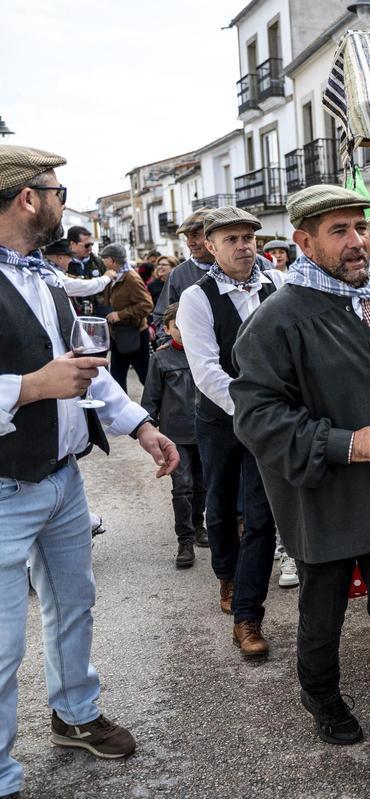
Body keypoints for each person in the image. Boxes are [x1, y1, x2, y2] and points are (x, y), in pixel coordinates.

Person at [231, 185, 370, 798]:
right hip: (328, 496)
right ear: (303, 241)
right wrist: (348, 443)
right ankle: (320, 694)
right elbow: (257, 415)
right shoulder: (277, 317)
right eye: (339, 231)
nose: (356, 242)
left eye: (360, 228)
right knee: (324, 615)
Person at [0, 143, 179, 799]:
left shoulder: (44, 277)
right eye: (56, 191)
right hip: (5, 488)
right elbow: (48, 380)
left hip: (62, 481)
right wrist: (28, 386)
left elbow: (86, 371)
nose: (60, 201)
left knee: (75, 605)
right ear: (29, 198)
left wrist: (142, 424)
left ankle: (74, 714)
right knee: (0, 645)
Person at [176, 207, 282, 658]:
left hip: (269, 420)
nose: (243, 245)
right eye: (231, 239)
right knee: (218, 504)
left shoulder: (277, 285)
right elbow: (206, 370)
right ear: (211, 246)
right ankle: (226, 572)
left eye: (248, 237)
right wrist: (251, 409)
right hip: (220, 419)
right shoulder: (196, 299)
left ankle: (246, 617)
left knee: (262, 514)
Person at [140, 302, 207, 568]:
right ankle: (185, 540)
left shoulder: (205, 353)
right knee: (183, 486)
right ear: (167, 328)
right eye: (176, 325)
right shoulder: (161, 357)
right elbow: (151, 399)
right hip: (176, 434)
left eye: (186, 324)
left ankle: (198, 525)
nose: (182, 330)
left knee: (202, 485)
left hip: (204, 431)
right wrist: (149, 427)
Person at [149, 208, 213, 344]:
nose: (190, 243)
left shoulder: (253, 265)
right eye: (187, 237)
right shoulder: (178, 274)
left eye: (195, 235)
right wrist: (170, 343)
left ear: (214, 235)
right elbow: (162, 316)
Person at [97, 243, 153, 392]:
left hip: (134, 335)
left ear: (113, 261)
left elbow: (147, 305)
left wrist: (120, 315)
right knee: (116, 377)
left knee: (145, 375)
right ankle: (123, 413)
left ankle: (161, 409)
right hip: (119, 335)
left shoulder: (131, 278)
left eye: (105, 258)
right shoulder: (114, 275)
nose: (102, 261)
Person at [42, 237, 117, 300]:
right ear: (60, 258)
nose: (71, 260)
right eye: (70, 256)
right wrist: (106, 277)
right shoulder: (52, 276)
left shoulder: (46, 270)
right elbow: (84, 287)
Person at [65, 225, 107, 316]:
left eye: (92, 244)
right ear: (72, 244)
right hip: (74, 316)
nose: (90, 248)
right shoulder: (63, 265)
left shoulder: (98, 262)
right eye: (87, 245)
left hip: (98, 316)